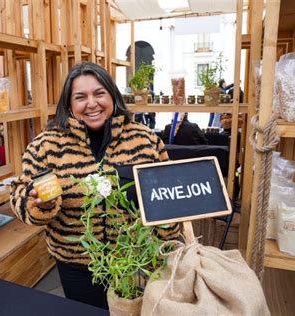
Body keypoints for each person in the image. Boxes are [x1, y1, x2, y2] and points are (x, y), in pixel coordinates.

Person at [10, 62, 180, 309]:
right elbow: (19, 192)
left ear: (112, 95)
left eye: (99, 93)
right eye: (81, 97)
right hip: (76, 266)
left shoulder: (144, 140)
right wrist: (36, 202)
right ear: (69, 105)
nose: (92, 103)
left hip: (136, 261)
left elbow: (168, 196)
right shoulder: (46, 146)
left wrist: (167, 243)